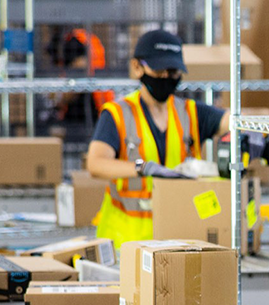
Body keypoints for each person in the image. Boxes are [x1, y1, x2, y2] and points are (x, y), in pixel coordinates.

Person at [86, 30, 231, 247]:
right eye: (159, 69)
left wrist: (250, 133)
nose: (166, 77)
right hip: (125, 245)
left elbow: (235, 121)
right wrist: (142, 168)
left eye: (172, 71)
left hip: (178, 242)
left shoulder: (192, 113)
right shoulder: (117, 114)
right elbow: (95, 164)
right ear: (137, 67)